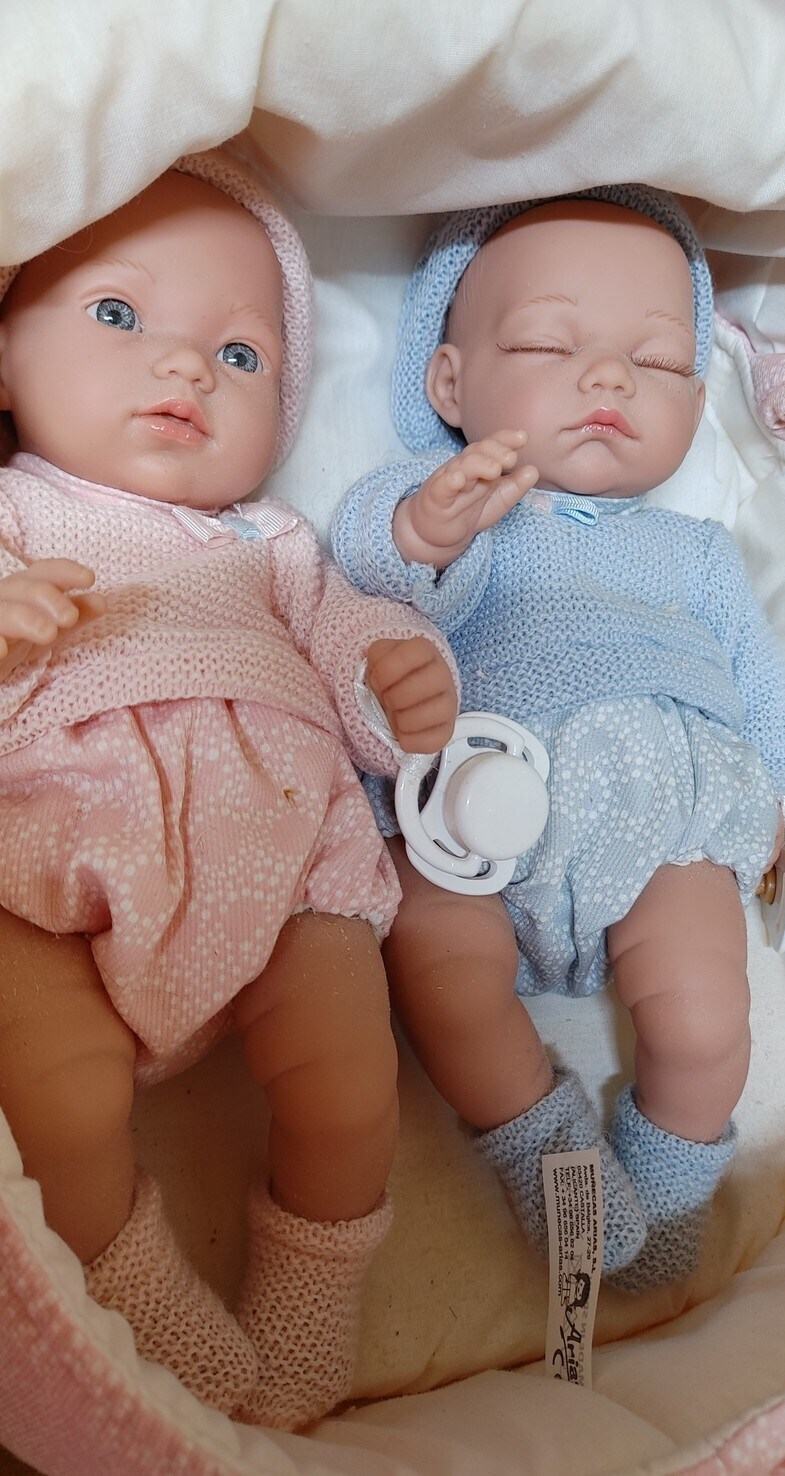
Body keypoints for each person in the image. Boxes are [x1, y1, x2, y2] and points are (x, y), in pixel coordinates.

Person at [0, 148, 457, 1427]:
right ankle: (128, 1280)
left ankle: (314, 1276)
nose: (186, 366)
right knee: (54, 1093)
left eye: (240, 354)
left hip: (284, 845)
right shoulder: (14, 514)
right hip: (48, 839)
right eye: (117, 313)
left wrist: (393, 677)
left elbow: (350, 637)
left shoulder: (272, 542)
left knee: (349, 1084)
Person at [331, 185, 785, 1290]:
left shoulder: (696, 551)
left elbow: (760, 684)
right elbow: (370, 572)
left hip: (667, 812)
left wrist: (779, 796)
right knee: (439, 976)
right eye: (551, 344)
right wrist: (428, 521)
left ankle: (669, 1183)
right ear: (449, 383)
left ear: (698, 400)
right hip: (474, 810)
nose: (608, 379)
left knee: (707, 1019)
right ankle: (549, 1155)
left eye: (656, 361)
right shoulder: (445, 505)